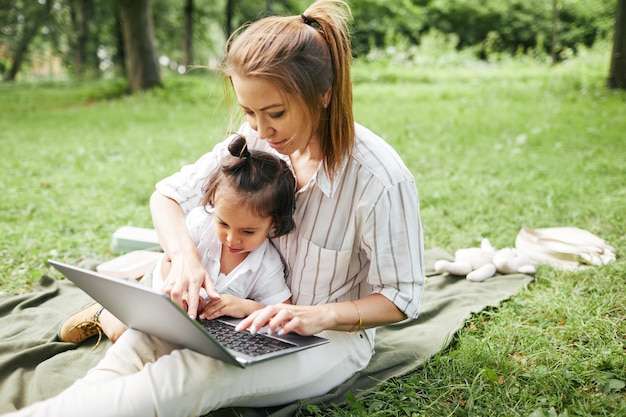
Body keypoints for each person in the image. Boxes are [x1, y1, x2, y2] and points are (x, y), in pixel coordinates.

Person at [4, 0, 425, 416]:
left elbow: (401, 296)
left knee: (198, 374)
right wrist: (185, 260)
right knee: (137, 346)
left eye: (275, 113)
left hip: (328, 339)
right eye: (249, 112)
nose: (260, 129)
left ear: (324, 95)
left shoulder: (380, 179)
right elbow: (167, 196)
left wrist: (319, 315)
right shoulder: (255, 139)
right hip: (235, 311)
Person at [58, 135, 295, 345]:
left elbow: (284, 310)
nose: (232, 238)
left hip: (205, 327)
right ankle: (103, 313)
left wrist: (246, 307)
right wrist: (178, 291)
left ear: (272, 224)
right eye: (223, 224)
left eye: (248, 232)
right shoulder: (201, 223)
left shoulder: (266, 264)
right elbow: (170, 260)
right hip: (162, 289)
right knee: (124, 335)